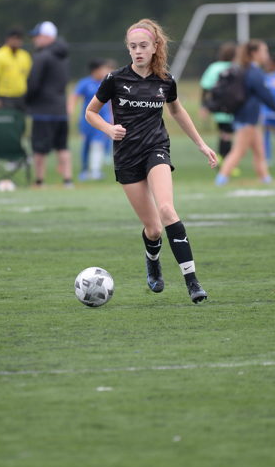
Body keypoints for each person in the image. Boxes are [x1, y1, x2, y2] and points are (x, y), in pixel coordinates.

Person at [85, 18, 218, 304]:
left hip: (156, 149)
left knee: (167, 209)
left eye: (143, 46)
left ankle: (192, 282)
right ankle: (153, 261)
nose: (138, 51)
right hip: (126, 156)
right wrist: (108, 129)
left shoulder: (165, 80)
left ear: (155, 47)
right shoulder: (114, 79)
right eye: (133, 46)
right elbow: (90, 112)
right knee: (154, 229)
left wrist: (201, 144)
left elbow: (177, 111)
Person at [215, 40, 275, 185]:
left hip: (248, 117)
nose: (266, 55)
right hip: (247, 118)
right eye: (264, 51)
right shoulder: (254, 72)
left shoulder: (245, 69)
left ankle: (266, 179)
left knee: (259, 151)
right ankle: (221, 179)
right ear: (254, 53)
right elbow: (265, 94)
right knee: (239, 151)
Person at [26, 21, 73, 187]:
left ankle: (39, 181)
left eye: (37, 36)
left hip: (43, 109)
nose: (34, 40)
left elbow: (33, 83)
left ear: (47, 37)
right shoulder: (63, 56)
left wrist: (27, 100)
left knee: (39, 147)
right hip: (60, 108)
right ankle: (68, 180)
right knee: (62, 146)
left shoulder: (42, 56)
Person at [68, 59, 114, 180]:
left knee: (98, 144)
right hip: (87, 120)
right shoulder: (85, 83)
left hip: (102, 120)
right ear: (96, 70)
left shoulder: (106, 82)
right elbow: (74, 96)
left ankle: (95, 171)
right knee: (86, 145)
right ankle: (84, 170)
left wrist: (112, 116)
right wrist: (70, 111)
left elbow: (111, 101)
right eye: (103, 69)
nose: (105, 71)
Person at [199, 41, 237, 162]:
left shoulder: (214, 67)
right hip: (233, 107)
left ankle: (222, 160)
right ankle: (224, 160)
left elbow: (205, 87)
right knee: (227, 134)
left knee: (224, 133)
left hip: (217, 107)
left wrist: (204, 105)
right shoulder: (236, 67)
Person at [0, 27, 32, 111]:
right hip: (4, 97)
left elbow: (28, 77)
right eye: (14, 39)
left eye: (19, 39)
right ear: (8, 39)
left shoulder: (25, 56)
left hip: (21, 97)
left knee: (20, 118)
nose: (16, 42)